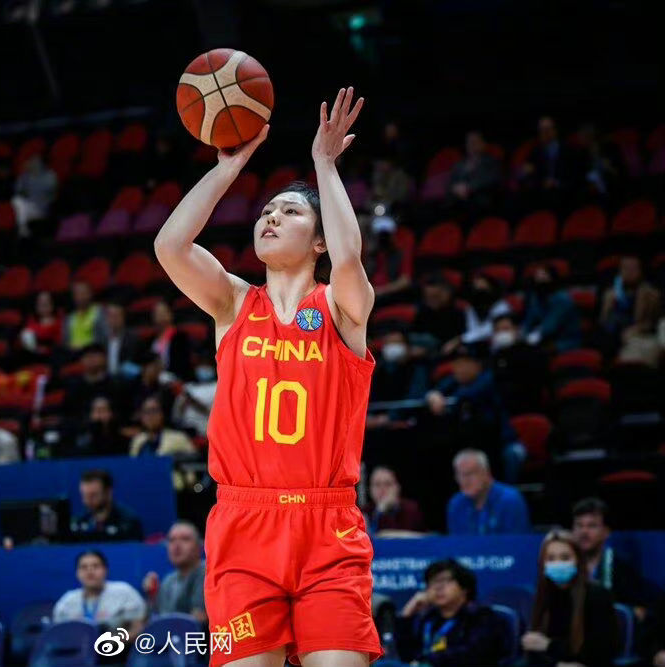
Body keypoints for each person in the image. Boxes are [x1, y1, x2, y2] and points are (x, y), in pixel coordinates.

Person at [155, 87, 382, 666]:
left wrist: (325, 166)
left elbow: (352, 258)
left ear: (320, 239)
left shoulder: (341, 308)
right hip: (240, 526)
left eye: (291, 211)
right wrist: (229, 167)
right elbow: (171, 245)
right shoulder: (232, 304)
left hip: (327, 527)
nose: (272, 217)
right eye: (266, 211)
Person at [425, 343, 523, 481]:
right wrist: (433, 394)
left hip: (502, 441)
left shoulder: (488, 379)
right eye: (456, 364)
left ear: (477, 365)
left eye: (465, 363)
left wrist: (441, 398)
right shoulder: (455, 380)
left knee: (510, 455)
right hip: (473, 441)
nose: (459, 368)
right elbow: (438, 388)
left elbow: (468, 394)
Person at [523, 530, 618, 667]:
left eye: (565, 557)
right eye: (551, 558)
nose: (558, 563)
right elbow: (533, 649)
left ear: (578, 561)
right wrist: (557, 664)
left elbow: (602, 650)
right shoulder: (544, 596)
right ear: (543, 564)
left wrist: (549, 645)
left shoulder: (597, 595)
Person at [396, 559, 505, 666]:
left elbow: (472, 655)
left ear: (464, 588)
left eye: (446, 581)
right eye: (432, 582)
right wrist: (407, 615)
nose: (438, 587)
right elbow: (406, 656)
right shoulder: (429, 619)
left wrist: (427, 660)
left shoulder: (482, 616)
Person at [571, 497, 649, 616]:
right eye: (579, 525)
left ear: (606, 532)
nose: (584, 531)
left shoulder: (622, 566)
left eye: (592, 526)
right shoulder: (565, 563)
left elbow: (639, 610)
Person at [53, 550, 145, 636]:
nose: (90, 571)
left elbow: (139, 628)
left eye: (96, 566)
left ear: (105, 570)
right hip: (77, 649)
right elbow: (58, 635)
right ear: (77, 573)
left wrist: (113, 642)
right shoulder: (66, 602)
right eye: (84, 567)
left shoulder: (124, 592)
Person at [446, 449, 531, 535]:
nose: (465, 481)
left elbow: (517, 544)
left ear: (486, 473)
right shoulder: (456, 504)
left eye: (470, 473)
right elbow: (456, 545)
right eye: (460, 475)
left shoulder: (510, 501)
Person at [600, 256, 662, 365]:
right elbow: (603, 320)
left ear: (641, 271)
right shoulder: (610, 294)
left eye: (633, 269)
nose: (629, 272)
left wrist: (637, 329)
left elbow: (653, 323)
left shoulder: (650, 294)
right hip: (611, 335)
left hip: (637, 335)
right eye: (625, 268)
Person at [142, 521, 207, 623]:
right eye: (171, 540)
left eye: (185, 539)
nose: (176, 545)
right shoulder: (168, 580)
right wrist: (152, 598)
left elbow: (199, 619)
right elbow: (158, 620)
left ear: (200, 546)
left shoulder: (206, 573)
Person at [490, 315, 548, 416]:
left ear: (517, 329)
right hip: (500, 407)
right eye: (497, 330)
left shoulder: (532, 352)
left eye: (506, 329)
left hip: (528, 405)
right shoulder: (495, 357)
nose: (501, 333)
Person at [69, 469, 143, 542]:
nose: (87, 501)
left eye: (93, 495)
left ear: (108, 493)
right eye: (84, 495)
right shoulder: (77, 523)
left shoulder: (128, 523)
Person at [522, 264, 582, 352]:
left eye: (544, 276)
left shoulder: (562, 299)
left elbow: (550, 325)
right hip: (544, 339)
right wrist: (522, 334)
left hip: (564, 340)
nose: (539, 279)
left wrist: (531, 338)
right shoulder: (535, 298)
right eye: (537, 276)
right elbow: (529, 320)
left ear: (552, 278)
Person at [361, 466, 425, 534]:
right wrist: (379, 512)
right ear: (370, 489)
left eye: (388, 484)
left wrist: (384, 510)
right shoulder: (364, 513)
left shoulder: (411, 510)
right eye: (377, 484)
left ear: (397, 487)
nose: (382, 489)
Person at [364, 215, 413, 304]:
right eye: (380, 235)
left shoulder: (400, 253)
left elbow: (405, 280)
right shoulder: (371, 253)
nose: (383, 238)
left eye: (386, 234)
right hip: (369, 294)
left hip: (389, 296)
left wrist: (380, 291)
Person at [448, 131, 501, 212]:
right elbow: (450, 183)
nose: (471, 145)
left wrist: (469, 187)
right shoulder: (459, 165)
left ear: (483, 144)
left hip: (480, 202)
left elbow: (493, 179)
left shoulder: (491, 161)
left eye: (475, 141)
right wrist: (455, 189)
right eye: (469, 142)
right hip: (457, 202)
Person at [129, 395, 196, 458]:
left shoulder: (179, 438)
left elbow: (192, 466)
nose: (150, 415)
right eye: (146, 412)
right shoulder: (137, 441)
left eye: (154, 410)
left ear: (162, 414)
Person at [11, 154, 58, 239]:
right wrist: (24, 176)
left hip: (43, 206)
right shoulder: (26, 176)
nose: (34, 164)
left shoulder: (50, 175)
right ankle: (23, 227)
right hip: (29, 207)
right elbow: (18, 190)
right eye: (32, 162)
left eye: (36, 162)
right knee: (17, 201)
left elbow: (52, 192)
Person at [63, 281, 108, 352]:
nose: (81, 296)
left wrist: (84, 347)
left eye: (84, 293)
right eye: (78, 293)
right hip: (73, 354)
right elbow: (65, 342)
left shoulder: (99, 312)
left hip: (92, 352)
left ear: (90, 294)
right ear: (74, 296)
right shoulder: (69, 318)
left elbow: (105, 337)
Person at [19, 290, 62, 358]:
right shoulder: (31, 320)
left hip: (52, 354)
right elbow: (25, 340)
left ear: (52, 304)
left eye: (46, 303)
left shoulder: (59, 321)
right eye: (40, 303)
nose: (43, 306)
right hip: (31, 354)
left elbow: (59, 342)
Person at [105, 303, 142, 377]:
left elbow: (134, 364)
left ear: (123, 318)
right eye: (111, 316)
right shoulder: (103, 340)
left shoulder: (133, 339)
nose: (114, 319)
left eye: (116, 316)